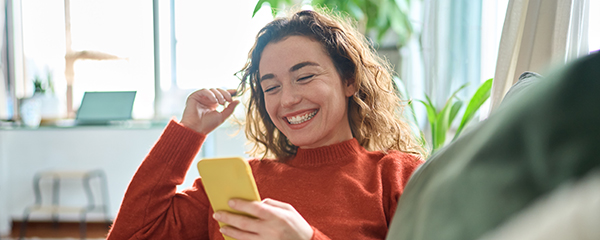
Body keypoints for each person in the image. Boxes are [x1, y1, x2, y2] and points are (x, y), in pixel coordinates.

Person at [107, 9, 425, 240]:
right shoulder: (239, 187)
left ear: (349, 80)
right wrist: (188, 133)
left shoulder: (399, 177)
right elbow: (131, 234)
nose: (286, 100)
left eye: (304, 77)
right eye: (271, 87)